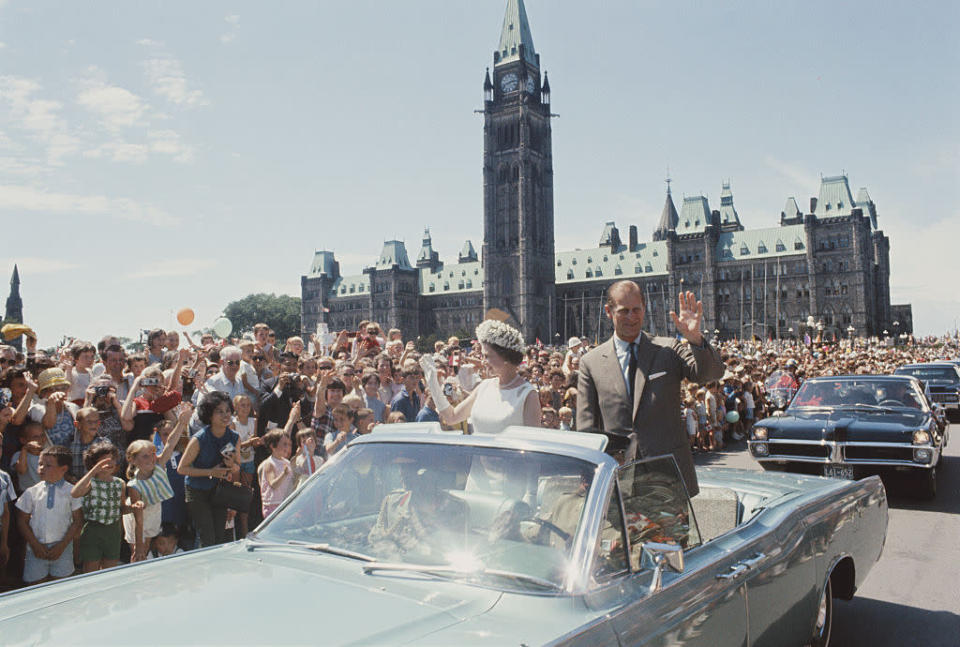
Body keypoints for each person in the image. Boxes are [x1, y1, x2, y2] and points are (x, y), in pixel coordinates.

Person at [576, 283, 723, 497]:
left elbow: (709, 375)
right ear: (608, 312)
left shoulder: (668, 349)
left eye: (636, 310)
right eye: (623, 311)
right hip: (618, 479)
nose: (631, 317)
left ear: (644, 308)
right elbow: (586, 427)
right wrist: (588, 475)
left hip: (668, 477)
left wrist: (695, 339)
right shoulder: (591, 362)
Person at [419, 319, 541, 434]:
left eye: (487, 356)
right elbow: (452, 417)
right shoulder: (485, 386)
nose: (483, 362)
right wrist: (432, 382)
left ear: (505, 357)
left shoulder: (528, 394)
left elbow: (531, 443)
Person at [122, 406, 190, 562]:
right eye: (145, 456)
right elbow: (138, 521)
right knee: (139, 555)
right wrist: (139, 545)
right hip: (138, 523)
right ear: (133, 460)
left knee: (146, 553)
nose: (151, 459)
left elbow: (171, 444)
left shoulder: (158, 465)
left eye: (152, 454)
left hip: (153, 516)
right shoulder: (134, 486)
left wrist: (181, 423)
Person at [177, 391, 239, 547]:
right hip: (197, 491)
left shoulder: (234, 437)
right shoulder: (199, 439)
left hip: (219, 491)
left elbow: (238, 467)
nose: (225, 415)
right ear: (209, 415)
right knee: (207, 537)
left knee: (219, 536)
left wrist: (231, 466)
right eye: (219, 411)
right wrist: (210, 472)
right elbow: (182, 469)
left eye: (227, 411)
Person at [15, 446, 83, 584]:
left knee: (61, 587)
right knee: (36, 587)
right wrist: (35, 545)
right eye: (40, 464)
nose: (41, 468)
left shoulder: (72, 492)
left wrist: (62, 546)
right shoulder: (31, 492)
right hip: (36, 549)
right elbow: (22, 521)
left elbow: (78, 521)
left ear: (63, 469)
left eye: (48, 465)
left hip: (62, 549)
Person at [71, 441, 141, 572]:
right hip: (93, 530)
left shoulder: (119, 483)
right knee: (91, 570)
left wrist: (133, 507)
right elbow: (75, 493)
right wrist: (92, 472)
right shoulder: (90, 482)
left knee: (110, 570)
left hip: (113, 531)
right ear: (93, 463)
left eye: (112, 459)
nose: (109, 463)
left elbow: (121, 509)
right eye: (104, 461)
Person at [258, 428, 296, 517]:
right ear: (273, 446)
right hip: (272, 506)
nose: (288, 447)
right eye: (284, 444)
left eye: (289, 444)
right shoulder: (269, 464)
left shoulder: (287, 462)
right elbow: (273, 484)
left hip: (284, 503)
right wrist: (284, 474)